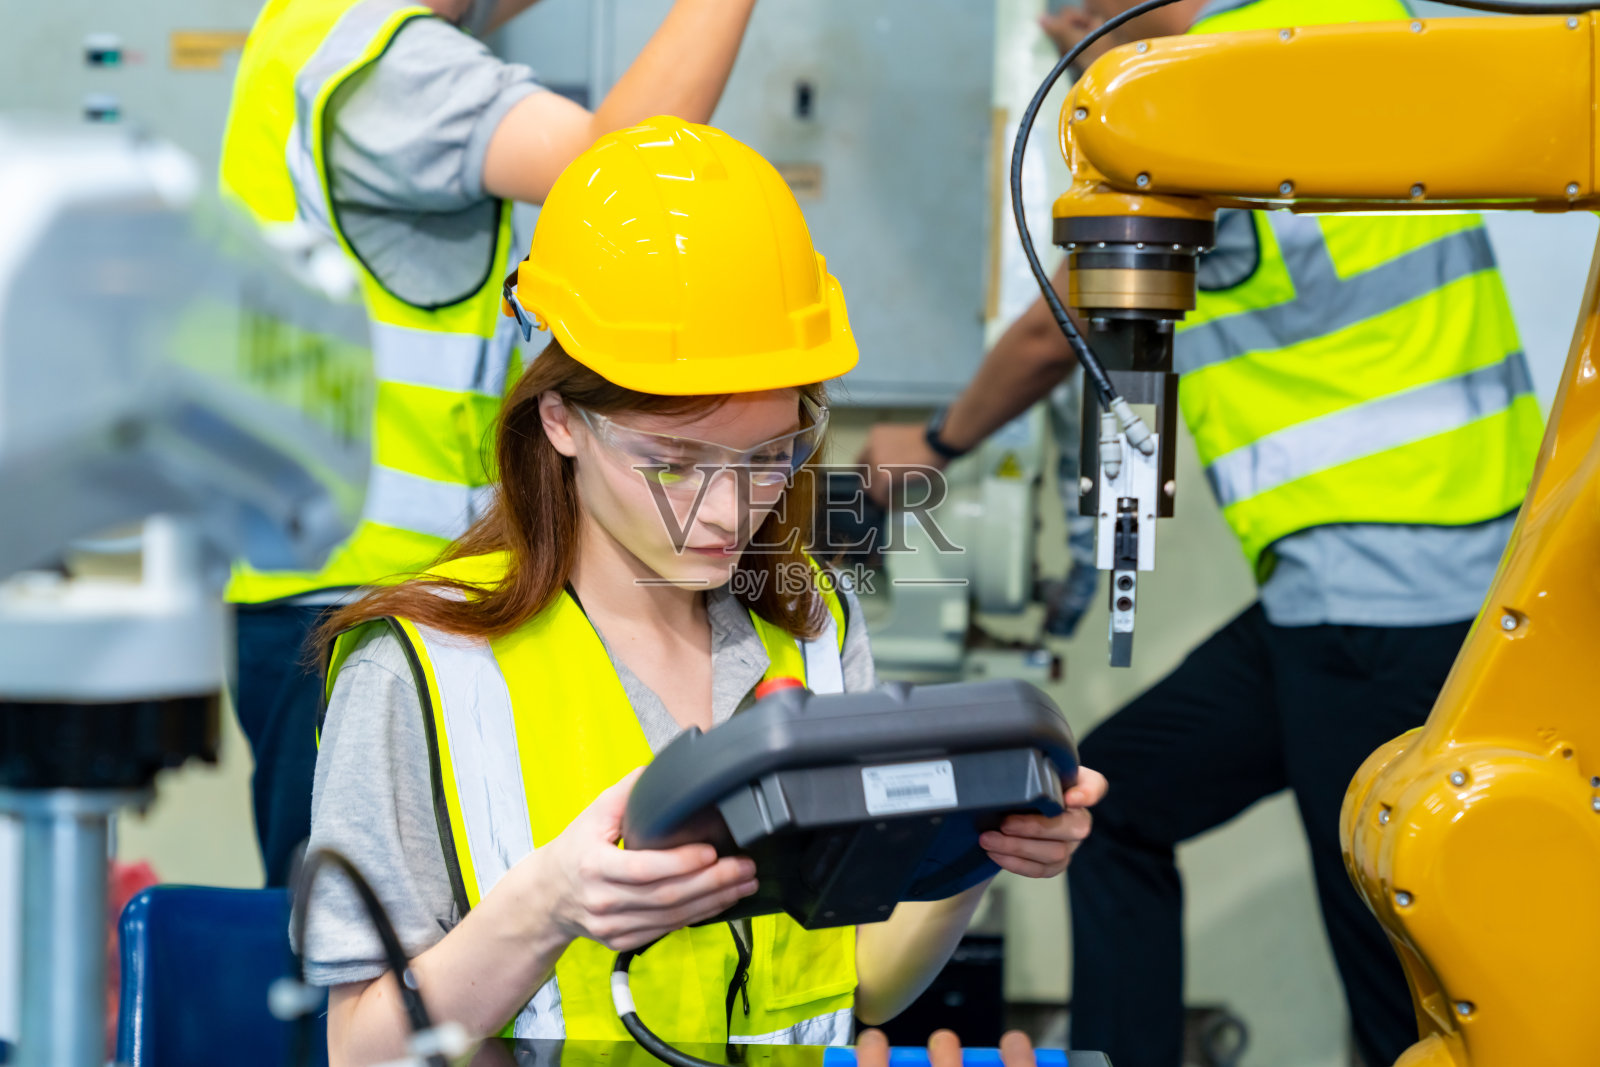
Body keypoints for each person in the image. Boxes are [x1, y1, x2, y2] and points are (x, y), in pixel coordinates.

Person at [301, 118, 1109, 1065]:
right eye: (676, 464)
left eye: (772, 456)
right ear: (560, 418)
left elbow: (862, 980)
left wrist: (977, 846)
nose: (724, 510)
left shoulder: (809, 625)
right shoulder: (425, 663)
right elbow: (361, 1049)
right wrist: (548, 906)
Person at [858, 2, 1544, 1065]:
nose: (1049, 26)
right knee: (1105, 806)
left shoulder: (1198, 86)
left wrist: (936, 440)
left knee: (1398, 956)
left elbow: (1063, 320)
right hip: (1392, 582)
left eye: (1059, 10)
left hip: (1376, 606)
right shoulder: (1345, 19)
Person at [219, 0, 765, 886]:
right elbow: (616, 171)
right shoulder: (391, 64)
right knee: (370, 966)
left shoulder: (310, 38)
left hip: (350, 584)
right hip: (364, 599)